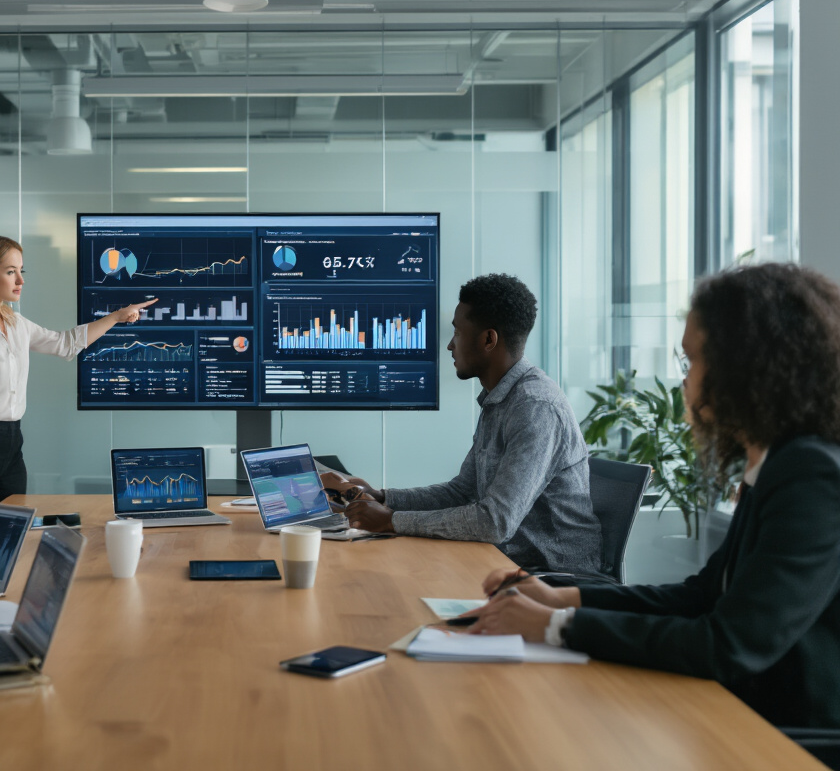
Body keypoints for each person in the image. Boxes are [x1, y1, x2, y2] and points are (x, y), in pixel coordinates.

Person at [468, 263, 840, 730]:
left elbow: (727, 644)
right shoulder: (775, 463)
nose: (683, 379)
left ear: (742, 368)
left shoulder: (811, 474)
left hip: (781, 735)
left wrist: (554, 627)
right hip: (739, 711)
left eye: (692, 360)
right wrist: (562, 599)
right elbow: (701, 595)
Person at [321, 273, 602, 576]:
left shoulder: (535, 409)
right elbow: (462, 491)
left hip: (550, 577)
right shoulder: (501, 400)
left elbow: (495, 521)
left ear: (488, 339)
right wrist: (383, 497)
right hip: (503, 561)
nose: (450, 346)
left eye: (457, 332)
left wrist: (391, 520)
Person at [0, 234, 155, 503]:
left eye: (21, 271)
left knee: (11, 537)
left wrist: (117, 316)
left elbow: (65, 344)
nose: (20, 280)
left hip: (12, 446)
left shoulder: (17, 324)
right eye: (10, 272)